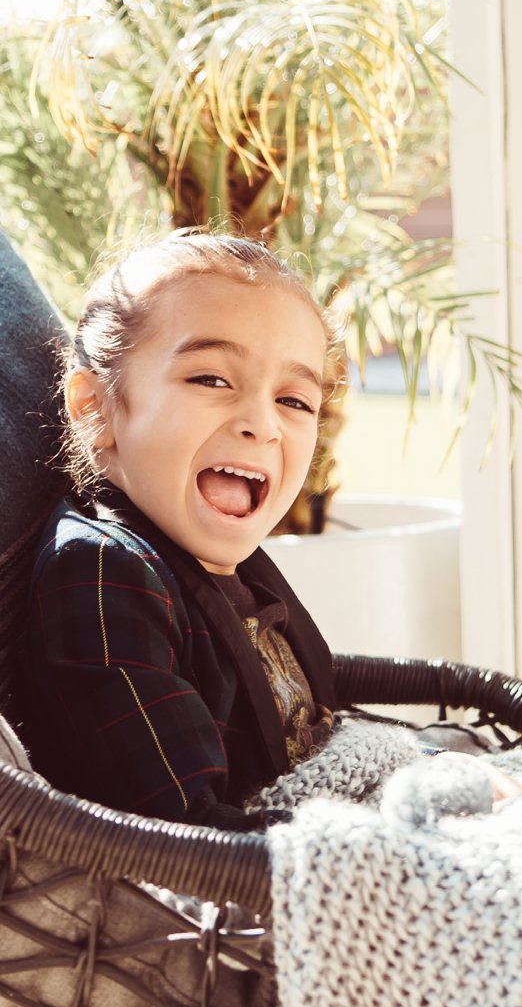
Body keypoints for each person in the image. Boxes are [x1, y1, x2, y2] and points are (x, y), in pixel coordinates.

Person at [20, 231, 340, 828]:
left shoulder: (223, 564)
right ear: (96, 408)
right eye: (211, 380)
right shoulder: (100, 575)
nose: (262, 425)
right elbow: (182, 836)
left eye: (295, 400)